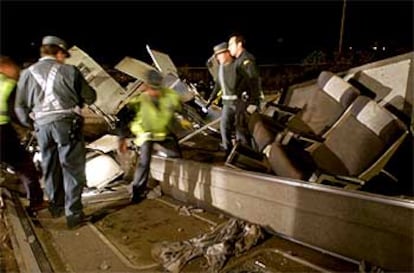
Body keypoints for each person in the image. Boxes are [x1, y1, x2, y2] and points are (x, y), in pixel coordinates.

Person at [15, 35, 97, 229]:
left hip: (42, 127)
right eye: (64, 55)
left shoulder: (27, 73)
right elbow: (91, 97)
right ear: (59, 53)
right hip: (67, 125)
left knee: (50, 166)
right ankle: (74, 214)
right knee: (72, 168)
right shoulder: (70, 70)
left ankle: (56, 206)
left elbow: (20, 107)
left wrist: (31, 124)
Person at [117, 69, 191, 203]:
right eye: (152, 88)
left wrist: (182, 119)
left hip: (164, 133)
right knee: (144, 163)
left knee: (178, 159)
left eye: (157, 88)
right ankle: (137, 192)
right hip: (146, 135)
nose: (154, 92)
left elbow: (180, 109)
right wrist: (121, 139)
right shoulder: (139, 100)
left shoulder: (170, 96)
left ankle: (180, 187)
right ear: (146, 86)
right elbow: (123, 118)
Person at [0, 56, 45, 213]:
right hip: (2, 132)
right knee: (25, 165)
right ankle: (36, 202)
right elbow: (16, 111)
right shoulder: (7, 84)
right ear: (4, 67)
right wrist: (31, 126)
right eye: (14, 69)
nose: (17, 73)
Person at [205, 42, 240, 158]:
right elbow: (218, 86)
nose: (217, 58)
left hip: (238, 104)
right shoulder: (221, 69)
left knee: (240, 130)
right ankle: (228, 151)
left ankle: (244, 152)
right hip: (227, 104)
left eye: (219, 55)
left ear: (227, 53)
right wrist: (210, 99)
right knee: (224, 127)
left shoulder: (237, 67)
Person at [228, 34, 264, 146]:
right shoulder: (238, 61)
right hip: (241, 103)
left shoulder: (246, 60)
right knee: (241, 130)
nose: (229, 48)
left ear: (239, 44)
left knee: (245, 133)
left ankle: (250, 159)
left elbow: (254, 79)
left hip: (246, 103)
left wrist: (254, 102)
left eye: (231, 44)